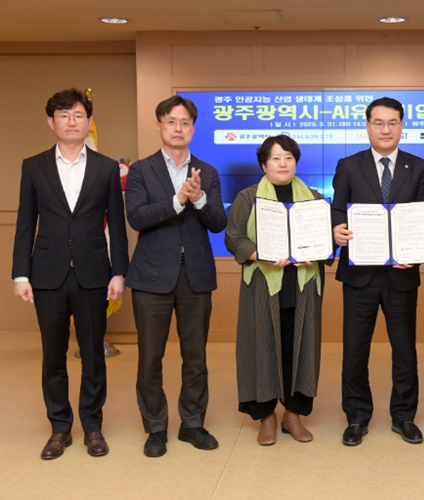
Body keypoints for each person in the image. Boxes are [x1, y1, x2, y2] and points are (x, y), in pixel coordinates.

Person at [12, 88, 129, 459]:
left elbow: (118, 226)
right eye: (63, 115)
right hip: (47, 274)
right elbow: (25, 223)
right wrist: (20, 274)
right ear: (51, 122)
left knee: (93, 355)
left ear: (88, 122)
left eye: (78, 115)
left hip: (94, 274)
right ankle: (60, 428)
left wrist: (119, 272)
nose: (71, 122)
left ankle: (92, 426)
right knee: (53, 356)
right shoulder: (34, 166)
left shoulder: (106, 168)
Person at [125, 95, 227, 457]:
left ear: (193, 129)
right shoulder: (141, 170)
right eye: (171, 122)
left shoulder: (207, 172)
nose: (178, 128)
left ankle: (192, 423)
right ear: (159, 126)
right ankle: (155, 428)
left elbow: (219, 223)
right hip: (151, 277)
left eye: (185, 123)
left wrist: (198, 199)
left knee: (195, 356)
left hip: (195, 276)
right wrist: (177, 201)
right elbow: (136, 217)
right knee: (149, 358)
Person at [332, 97, 424, 446]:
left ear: (402, 126)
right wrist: (336, 229)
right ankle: (357, 417)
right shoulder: (348, 165)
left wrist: (416, 253)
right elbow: (337, 209)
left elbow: (422, 216)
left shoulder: (419, 167)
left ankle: (404, 416)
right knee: (354, 350)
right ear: (367, 126)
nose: (385, 129)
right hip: (359, 274)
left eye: (392, 122)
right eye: (378, 122)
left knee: (404, 350)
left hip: (401, 274)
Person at [226, 135, 330, 446]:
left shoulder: (314, 198)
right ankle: (267, 417)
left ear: (296, 162)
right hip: (263, 286)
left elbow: (327, 241)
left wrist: (317, 250)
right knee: (261, 348)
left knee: (301, 349)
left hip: (303, 286)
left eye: (288, 157)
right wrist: (261, 254)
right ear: (264, 165)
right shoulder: (248, 198)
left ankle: (293, 415)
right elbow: (234, 237)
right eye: (275, 158)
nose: (282, 163)